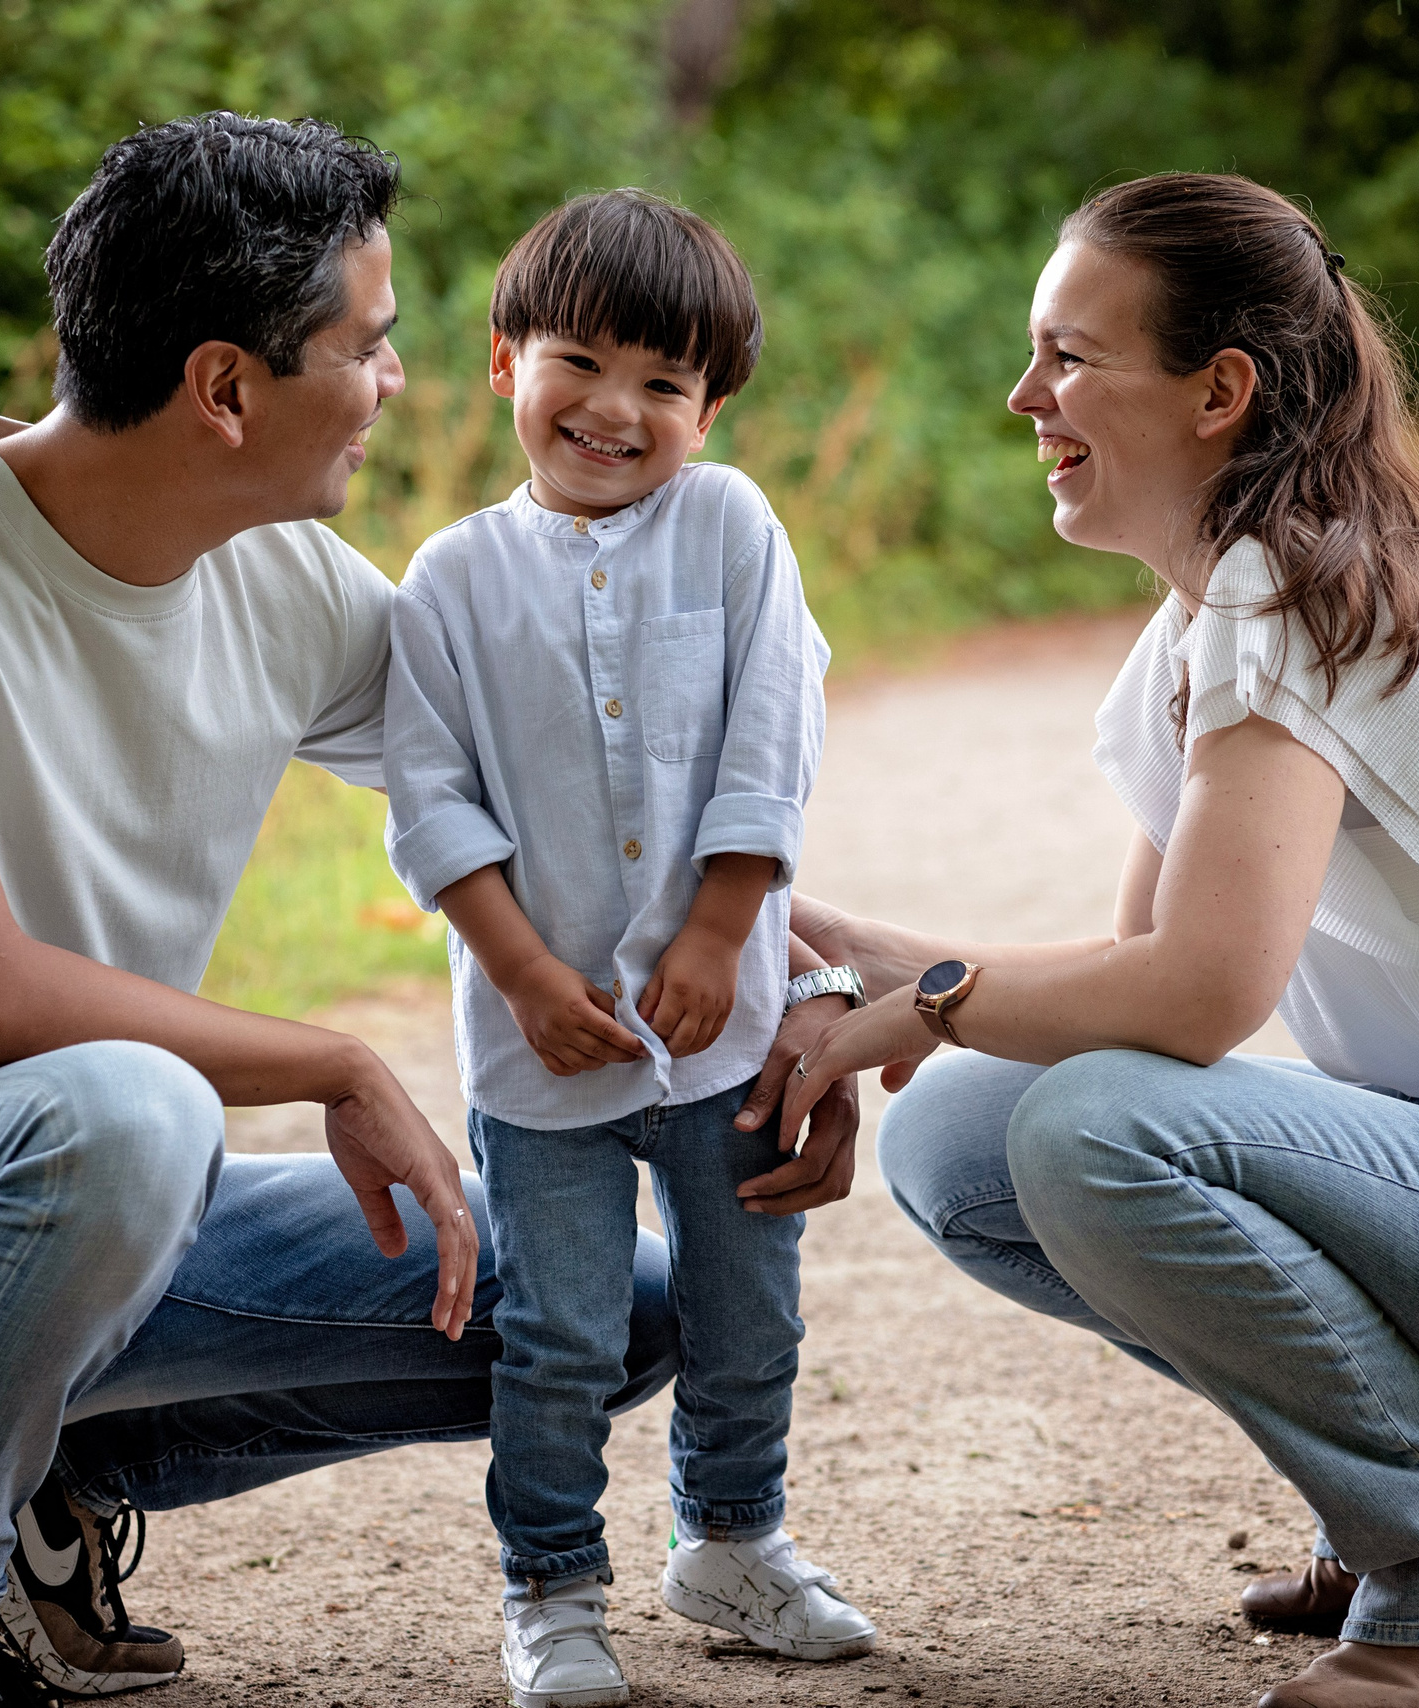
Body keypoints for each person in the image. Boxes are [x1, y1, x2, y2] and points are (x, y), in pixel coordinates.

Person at [0, 116, 688, 1708]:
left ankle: (49, 1495)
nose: (396, 381)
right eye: (368, 344)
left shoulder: (289, 582)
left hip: (97, 1200)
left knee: (610, 1308)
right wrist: (332, 1062)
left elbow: (569, 809)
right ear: (225, 389)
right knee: (132, 1109)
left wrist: (786, 967)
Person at [775, 172, 1419, 1708]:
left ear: (1219, 392)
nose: (1024, 396)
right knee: (968, 1138)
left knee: (1094, 1134)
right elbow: (1131, 988)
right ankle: (1395, 1498)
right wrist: (897, 970)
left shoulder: (1295, 595)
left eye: (1070, 357)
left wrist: (935, 994)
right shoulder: (1215, 610)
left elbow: (1194, 1000)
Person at [381, 189, 877, 1708]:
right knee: (559, 1334)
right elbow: (432, 804)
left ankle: (731, 1537)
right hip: (541, 1050)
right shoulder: (451, 578)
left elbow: (772, 730)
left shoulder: (729, 528)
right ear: (503, 363)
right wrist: (528, 976)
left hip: (722, 1033)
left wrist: (727, 926)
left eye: (664, 382)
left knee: (750, 1311)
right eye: (580, 363)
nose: (615, 408)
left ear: (708, 413)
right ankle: (550, 1587)